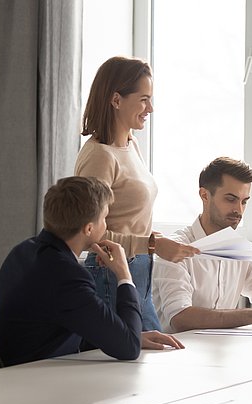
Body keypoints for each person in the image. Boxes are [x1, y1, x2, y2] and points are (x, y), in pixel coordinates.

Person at [0, 177, 184, 367]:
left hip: (11, 374)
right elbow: (129, 350)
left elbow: (69, 325)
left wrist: (127, 335)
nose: (106, 225)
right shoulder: (66, 275)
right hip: (31, 382)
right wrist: (124, 274)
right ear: (89, 228)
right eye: (104, 218)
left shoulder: (23, 251)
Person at [75, 56, 199, 331]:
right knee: (130, 360)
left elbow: (131, 219)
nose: (150, 108)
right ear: (116, 100)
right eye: (143, 99)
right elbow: (86, 233)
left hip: (138, 269)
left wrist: (151, 243)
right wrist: (152, 245)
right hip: (110, 273)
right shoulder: (100, 157)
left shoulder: (131, 144)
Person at [152, 157, 252, 333]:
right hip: (178, 354)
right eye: (230, 199)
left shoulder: (237, 249)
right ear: (204, 195)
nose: (239, 210)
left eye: (244, 201)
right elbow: (180, 318)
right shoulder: (173, 250)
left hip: (222, 349)